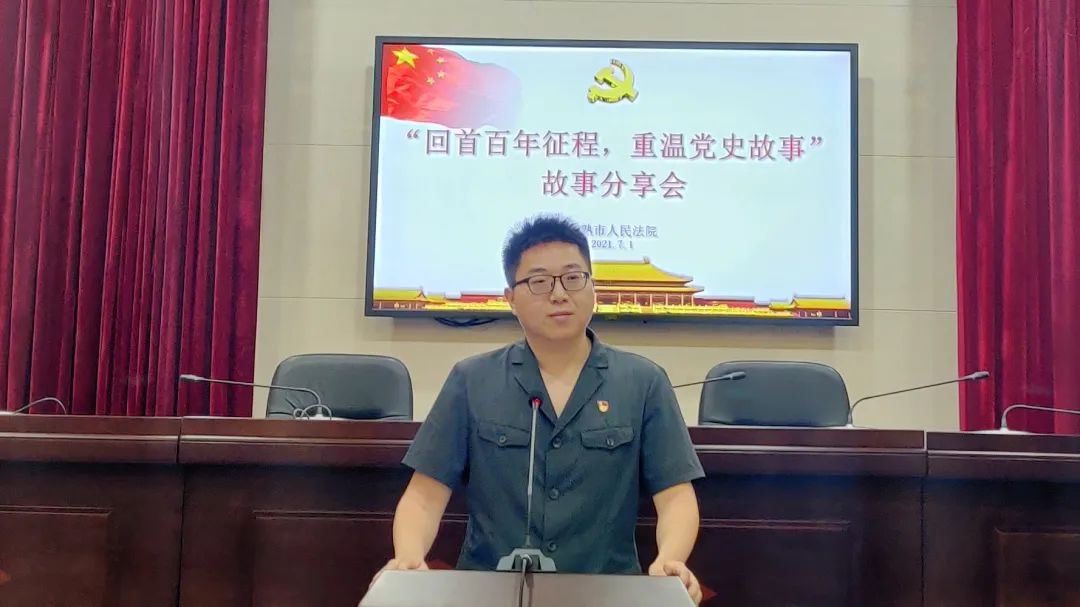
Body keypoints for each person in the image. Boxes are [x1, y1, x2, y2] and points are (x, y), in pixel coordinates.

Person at [377, 215, 705, 604]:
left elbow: (675, 495)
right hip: (490, 591)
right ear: (510, 298)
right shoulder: (472, 379)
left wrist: (670, 559)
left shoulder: (643, 381)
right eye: (539, 282)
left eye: (573, 278)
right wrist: (409, 557)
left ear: (593, 287)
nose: (559, 294)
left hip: (606, 592)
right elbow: (425, 495)